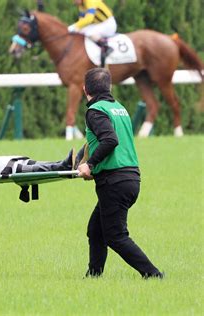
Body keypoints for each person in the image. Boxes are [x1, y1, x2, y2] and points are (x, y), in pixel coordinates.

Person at [77, 68, 163, 279]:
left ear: (85, 88)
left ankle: (153, 274)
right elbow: (101, 141)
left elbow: (110, 140)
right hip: (130, 178)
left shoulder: (95, 110)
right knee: (95, 230)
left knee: (115, 236)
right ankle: (94, 276)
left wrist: (90, 165)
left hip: (114, 181)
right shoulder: (119, 108)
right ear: (110, 87)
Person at [67, 0, 116, 66]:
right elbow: (82, 20)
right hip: (99, 24)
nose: (73, 1)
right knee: (80, 31)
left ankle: (106, 47)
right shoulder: (81, 5)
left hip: (108, 24)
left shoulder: (90, 1)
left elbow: (89, 18)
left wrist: (75, 26)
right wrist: (77, 28)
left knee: (89, 32)